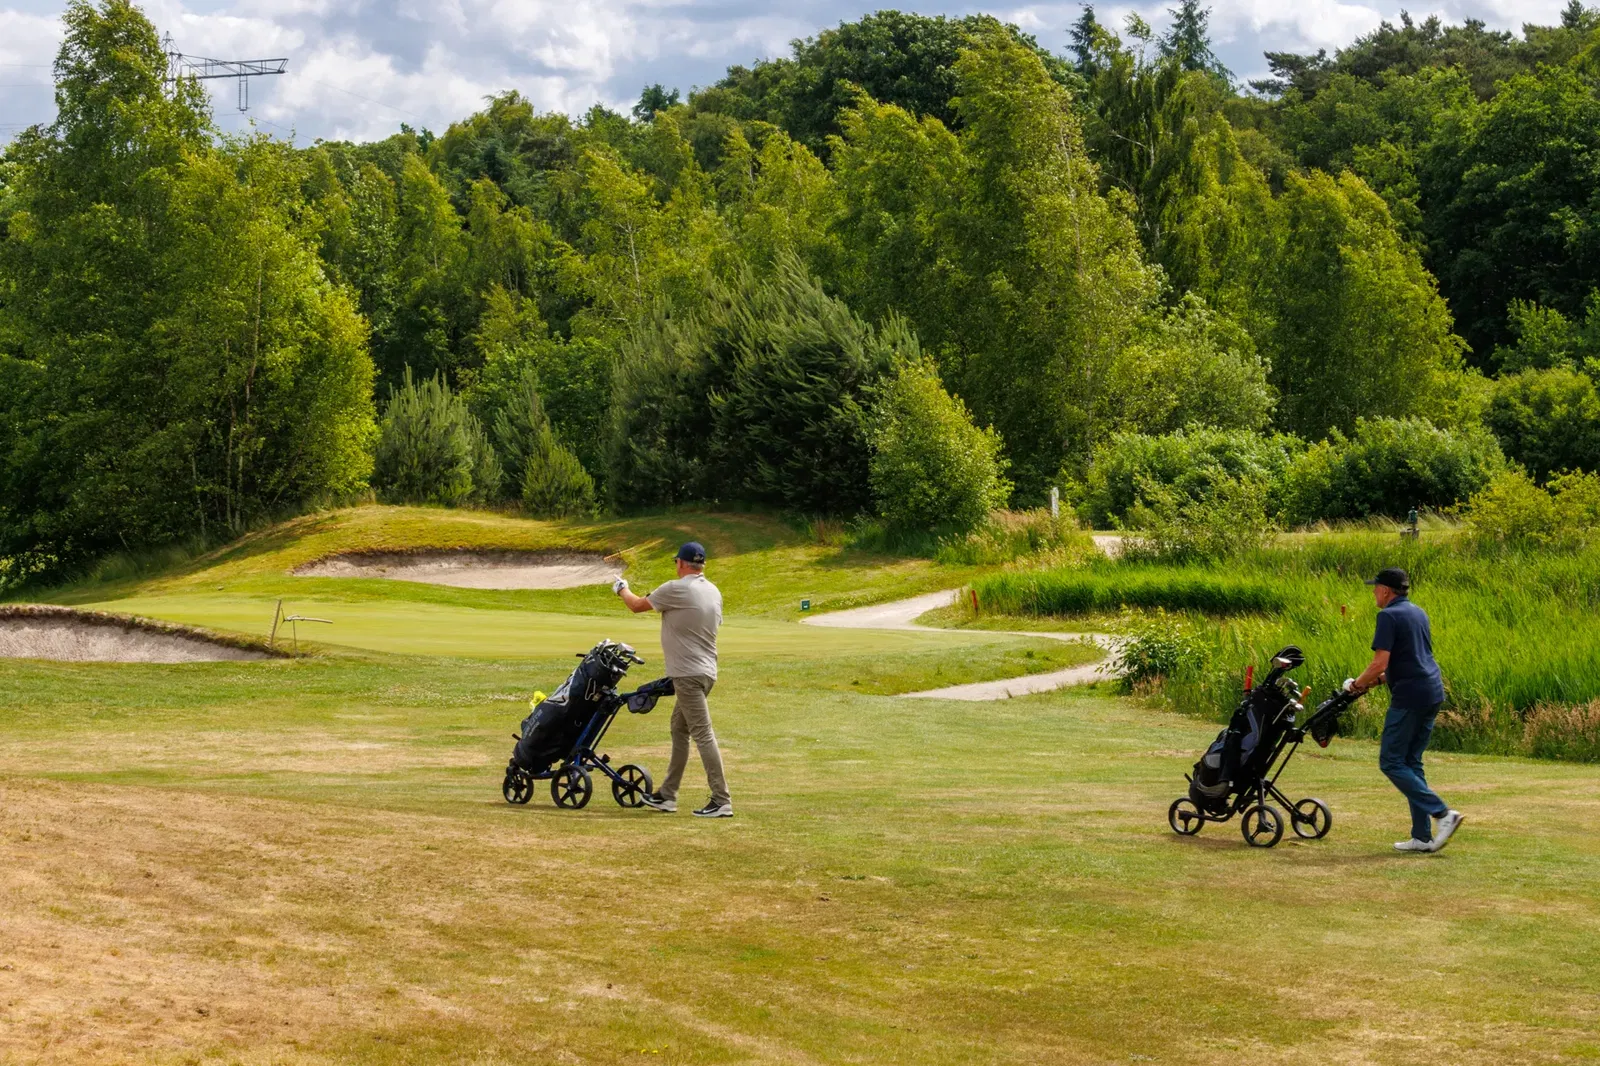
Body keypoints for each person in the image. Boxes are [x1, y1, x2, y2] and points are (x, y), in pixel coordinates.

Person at [1346, 567, 1462, 853]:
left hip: (1410, 696)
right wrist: (1373, 683)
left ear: (1386, 590)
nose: (1373, 592)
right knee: (1411, 762)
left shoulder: (1387, 615)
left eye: (1376, 588)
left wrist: (1355, 685)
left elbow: (1379, 663)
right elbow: (1409, 660)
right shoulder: (1417, 612)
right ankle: (1422, 838)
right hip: (1431, 690)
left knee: (1391, 761)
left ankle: (1443, 814)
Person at [612, 541, 731, 818]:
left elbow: (636, 605)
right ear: (702, 564)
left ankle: (721, 799)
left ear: (680, 563)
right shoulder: (713, 591)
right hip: (706, 673)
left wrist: (621, 589)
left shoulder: (676, 588)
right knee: (679, 728)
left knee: (702, 733)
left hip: (688, 675)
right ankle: (667, 795)